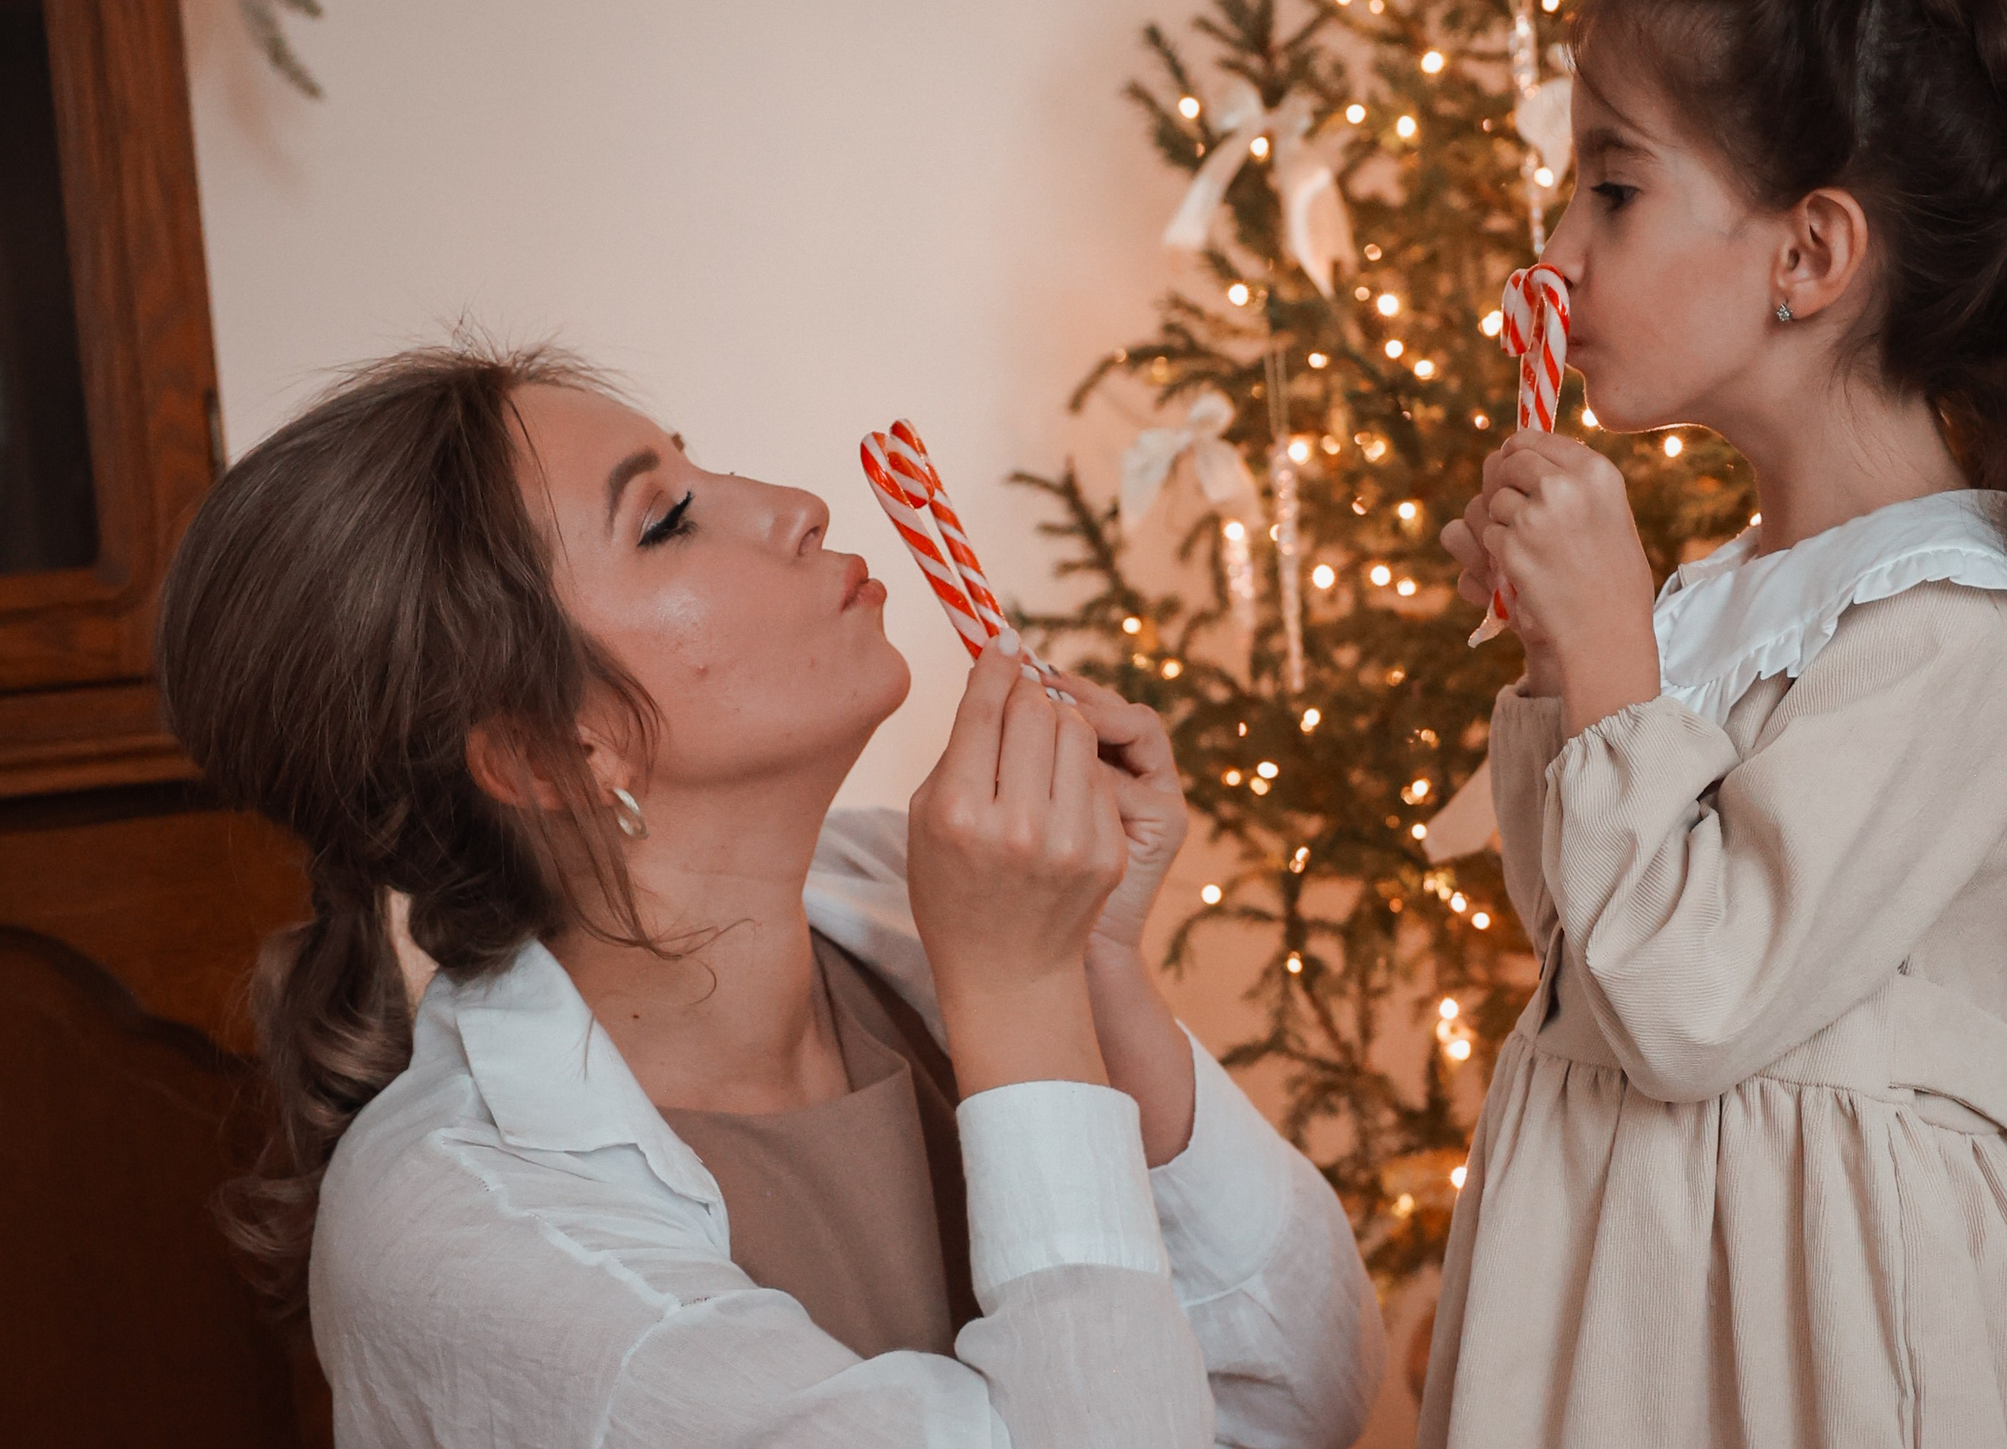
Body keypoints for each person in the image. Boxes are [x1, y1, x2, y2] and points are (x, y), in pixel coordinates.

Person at [155, 345, 1383, 1448]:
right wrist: (1017, 993)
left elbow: (1306, 1393)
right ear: (547, 753)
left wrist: (1095, 967)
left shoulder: (896, 897)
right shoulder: (457, 1243)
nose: (796, 509)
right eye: (670, 519)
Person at [1429, 0, 2007, 1448]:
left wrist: (1609, 660)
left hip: (1824, 1345)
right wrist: (1560, 665)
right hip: (1636, 1298)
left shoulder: (1955, 634)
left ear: (1809, 251)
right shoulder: (1724, 596)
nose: (1556, 248)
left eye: (1611, 187)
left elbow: (1689, 1001)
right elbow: (1584, 949)